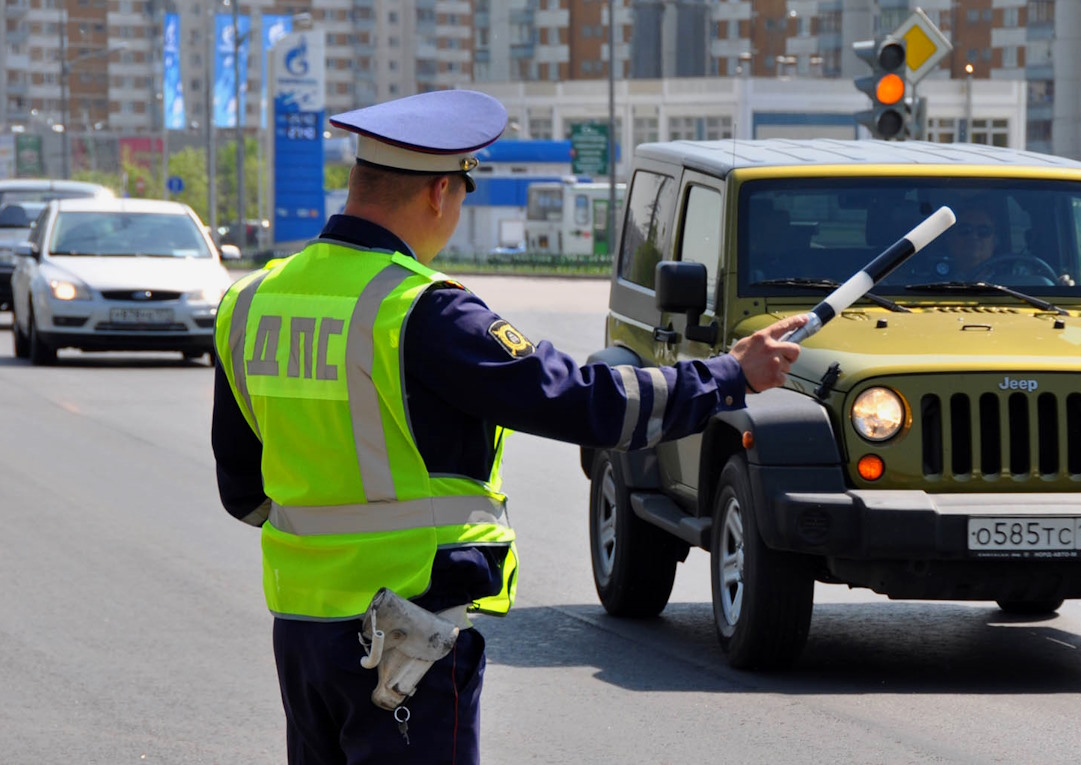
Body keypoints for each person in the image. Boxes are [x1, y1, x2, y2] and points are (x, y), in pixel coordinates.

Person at [209, 89, 806, 765]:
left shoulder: (252, 300)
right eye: (459, 196)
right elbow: (589, 402)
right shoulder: (420, 310)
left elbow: (244, 489)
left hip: (302, 632)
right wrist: (731, 374)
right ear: (440, 192)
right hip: (405, 633)